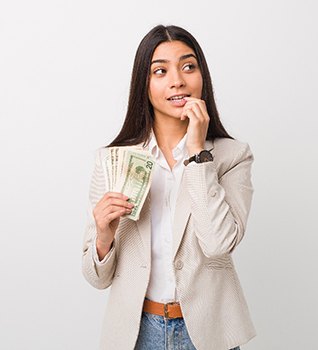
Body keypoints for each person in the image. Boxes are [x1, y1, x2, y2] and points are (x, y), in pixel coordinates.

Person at [82, 24, 256, 350]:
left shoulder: (232, 156)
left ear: (202, 77)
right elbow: (96, 278)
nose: (177, 80)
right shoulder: (113, 160)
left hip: (208, 334)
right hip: (136, 333)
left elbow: (219, 244)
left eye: (188, 66)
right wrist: (104, 236)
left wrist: (197, 153)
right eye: (160, 71)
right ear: (143, 85)